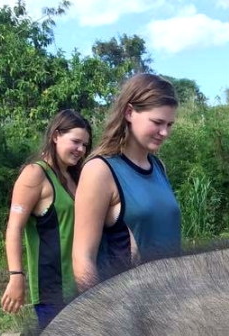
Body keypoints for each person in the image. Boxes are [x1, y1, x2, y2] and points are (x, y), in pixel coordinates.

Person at [72, 74, 181, 292]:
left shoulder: (158, 167)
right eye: (157, 122)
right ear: (129, 112)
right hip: (128, 309)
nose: (164, 132)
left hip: (171, 302)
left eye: (169, 124)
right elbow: (82, 257)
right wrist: (99, 313)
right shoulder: (100, 170)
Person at [1, 110, 92, 328]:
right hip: (53, 288)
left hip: (83, 284)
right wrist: (16, 276)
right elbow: (14, 229)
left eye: (85, 145)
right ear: (55, 135)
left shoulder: (75, 177)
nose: (81, 150)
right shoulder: (35, 174)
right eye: (76, 142)